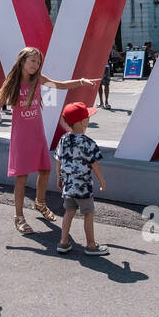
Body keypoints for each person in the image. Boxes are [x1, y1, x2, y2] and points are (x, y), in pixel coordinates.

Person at [0, 46, 98, 234]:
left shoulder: (38, 80)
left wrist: (81, 81)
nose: (36, 65)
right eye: (32, 61)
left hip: (37, 134)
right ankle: (19, 217)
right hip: (21, 137)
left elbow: (59, 85)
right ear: (22, 61)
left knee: (45, 170)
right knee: (22, 177)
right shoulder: (12, 84)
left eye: (38, 62)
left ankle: (40, 203)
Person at [54, 101, 109, 256]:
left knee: (69, 212)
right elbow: (94, 164)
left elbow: (58, 160)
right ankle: (91, 245)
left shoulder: (63, 140)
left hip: (68, 185)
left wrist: (58, 178)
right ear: (83, 122)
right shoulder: (88, 143)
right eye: (87, 117)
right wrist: (102, 181)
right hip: (83, 187)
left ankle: (63, 243)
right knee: (88, 213)